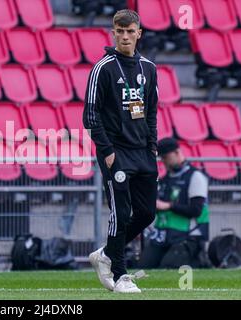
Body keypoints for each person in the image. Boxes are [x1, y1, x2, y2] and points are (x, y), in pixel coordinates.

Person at [83, 9, 158, 293]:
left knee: (146, 214)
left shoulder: (149, 69)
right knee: (121, 211)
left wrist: (152, 147)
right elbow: (90, 116)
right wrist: (108, 152)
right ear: (113, 33)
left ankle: (105, 254)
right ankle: (121, 275)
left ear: (139, 33)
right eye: (120, 31)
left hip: (143, 152)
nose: (125, 36)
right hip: (116, 151)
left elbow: (151, 112)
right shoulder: (103, 68)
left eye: (130, 31)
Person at [138, 138, 210, 269]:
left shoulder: (195, 177)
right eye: (162, 158)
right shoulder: (164, 181)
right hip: (163, 236)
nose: (164, 161)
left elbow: (196, 210)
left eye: (166, 157)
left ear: (177, 153)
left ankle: (198, 261)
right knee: (143, 266)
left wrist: (169, 206)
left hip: (187, 236)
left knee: (168, 267)